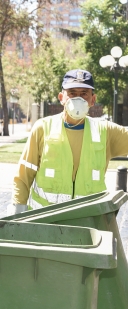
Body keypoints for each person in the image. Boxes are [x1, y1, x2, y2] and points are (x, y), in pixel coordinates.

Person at [9, 69, 128, 214]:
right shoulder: (43, 128)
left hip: (88, 224)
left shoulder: (105, 131)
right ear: (62, 97)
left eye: (84, 93)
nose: (78, 98)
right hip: (45, 222)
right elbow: (24, 175)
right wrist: (17, 212)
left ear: (93, 100)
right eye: (72, 93)